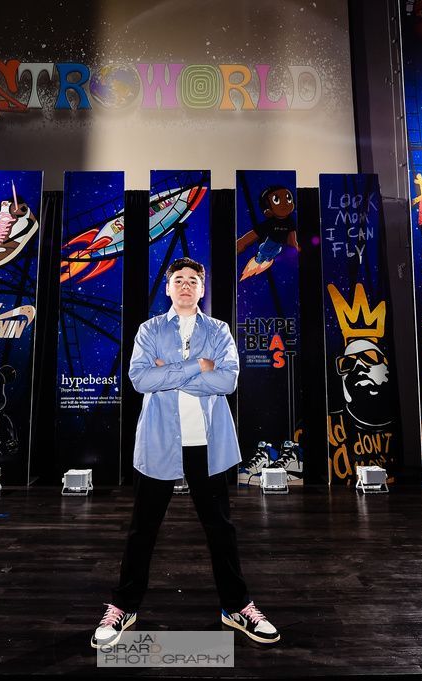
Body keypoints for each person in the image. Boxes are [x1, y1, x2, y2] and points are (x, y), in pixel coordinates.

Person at [91, 257, 280, 648]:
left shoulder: (219, 330)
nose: (186, 285)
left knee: (221, 529)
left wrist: (170, 373)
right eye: (178, 279)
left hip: (207, 445)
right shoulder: (149, 330)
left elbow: (227, 381)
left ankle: (237, 606)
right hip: (159, 442)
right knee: (143, 529)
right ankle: (123, 606)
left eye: (193, 280)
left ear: (202, 288)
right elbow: (141, 378)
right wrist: (197, 366)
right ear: (167, 287)